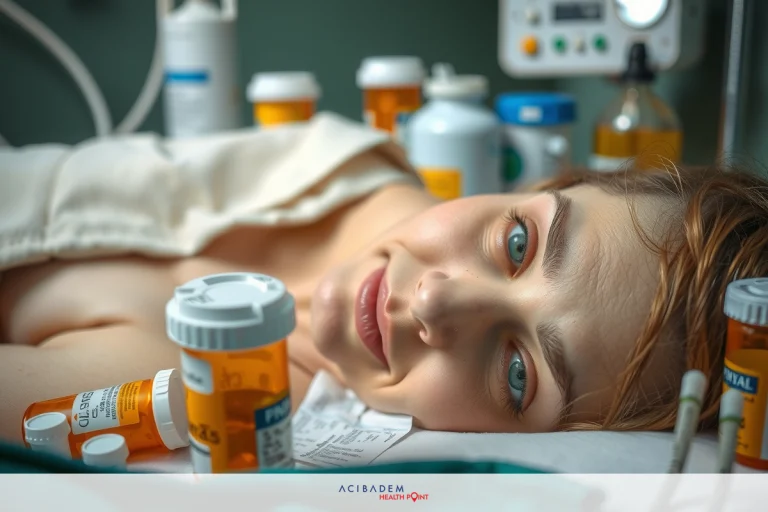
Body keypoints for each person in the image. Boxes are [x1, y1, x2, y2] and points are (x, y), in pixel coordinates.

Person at [0, 138, 766, 444]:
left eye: (518, 373)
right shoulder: (346, 157)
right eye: (519, 243)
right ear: (545, 185)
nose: (435, 304)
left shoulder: (220, 391)